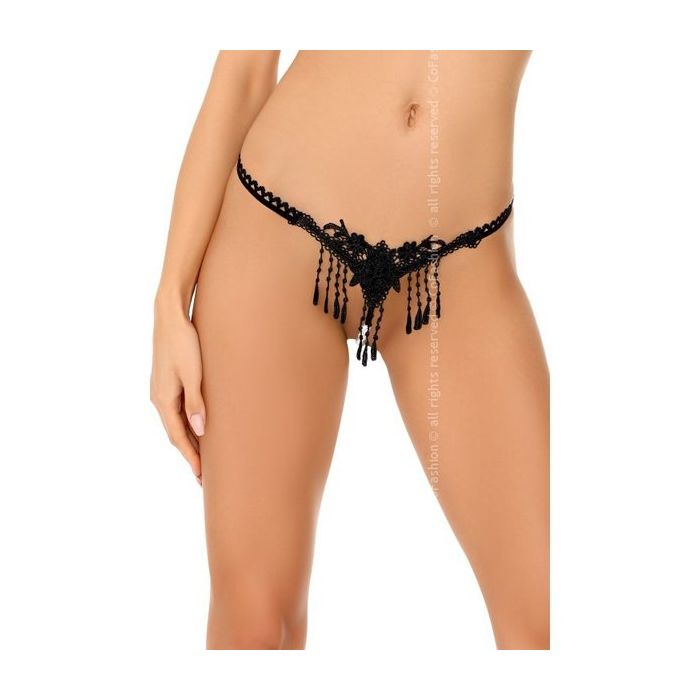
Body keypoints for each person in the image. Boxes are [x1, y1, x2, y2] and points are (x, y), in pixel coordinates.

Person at [151, 50, 549, 650]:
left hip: (460, 265)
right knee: (254, 625)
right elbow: (245, 70)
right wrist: (170, 301)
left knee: (545, 621)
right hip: (279, 225)